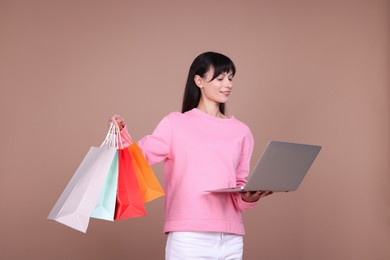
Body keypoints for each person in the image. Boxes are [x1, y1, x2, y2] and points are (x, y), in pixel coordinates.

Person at [111, 51, 272, 260]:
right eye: (220, 78)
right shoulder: (175, 123)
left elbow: (240, 184)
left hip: (231, 238)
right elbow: (137, 158)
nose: (228, 84)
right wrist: (119, 133)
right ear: (199, 80)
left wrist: (249, 198)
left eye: (231, 78)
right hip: (189, 237)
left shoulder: (242, 131)